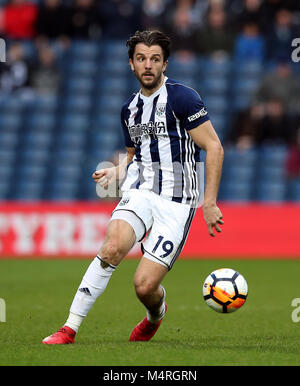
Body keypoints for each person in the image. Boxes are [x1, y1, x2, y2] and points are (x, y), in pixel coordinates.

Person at [42, 30, 224, 345]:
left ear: (165, 64)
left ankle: (156, 314)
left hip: (177, 203)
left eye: (155, 59)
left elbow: (214, 147)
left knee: (144, 286)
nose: (148, 65)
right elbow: (133, 156)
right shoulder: (129, 109)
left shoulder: (183, 98)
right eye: (141, 58)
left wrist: (209, 202)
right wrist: (118, 170)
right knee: (111, 248)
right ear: (131, 64)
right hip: (140, 192)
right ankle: (69, 328)